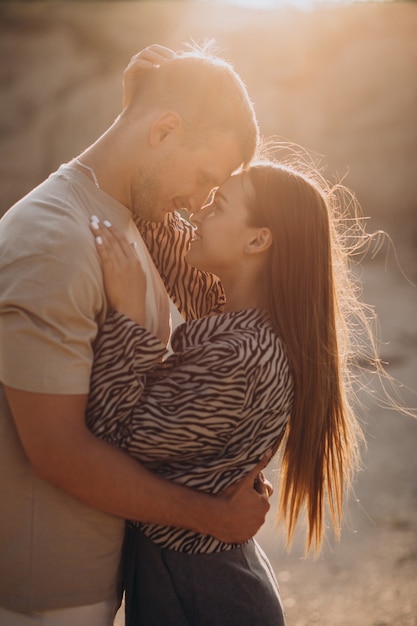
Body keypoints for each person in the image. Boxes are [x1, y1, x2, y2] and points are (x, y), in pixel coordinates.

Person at [0, 44, 269, 625]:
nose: (199, 204)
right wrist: (212, 519)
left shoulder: (124, 215)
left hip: (89, 580)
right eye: (203, 179)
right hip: (41, 596)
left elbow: (220, 306)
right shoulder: (55, 237)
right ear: (165, 130)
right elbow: (58, 452)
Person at [86, 158, 367, 625]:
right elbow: (164, 230)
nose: (197, 211)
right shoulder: (238, 313)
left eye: (217, 206)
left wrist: (129, 317)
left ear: (258, 240)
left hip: (204, 597)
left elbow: (111, 435)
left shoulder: (244, 356)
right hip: (199, 582)